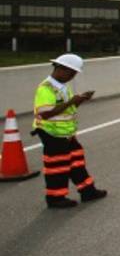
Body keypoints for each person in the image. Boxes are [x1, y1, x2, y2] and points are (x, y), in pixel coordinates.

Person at [32, 54, 106, 209]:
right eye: (71, 73)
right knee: (57, 167)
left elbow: (68, 109)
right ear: (60, 69)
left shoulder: (63, 88)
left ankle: (88, 191)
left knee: (76, 161)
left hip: (66, 134)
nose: (72, 77)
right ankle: (55, 198)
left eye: (74, 74)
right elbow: (45, 113)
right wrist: (72, 101)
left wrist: (78, 101)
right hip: (51, 133)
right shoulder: (46, 88)